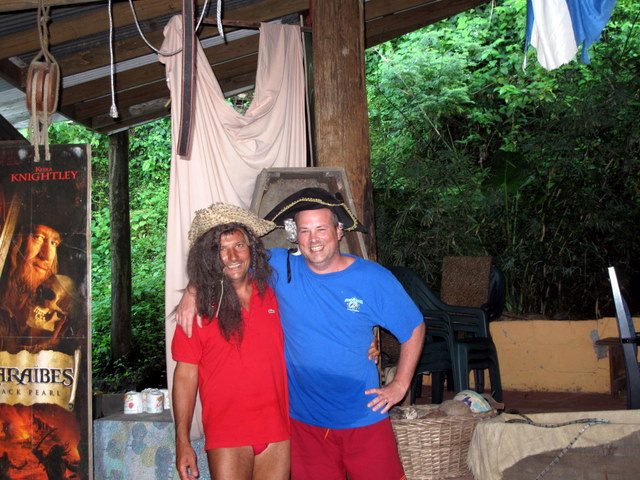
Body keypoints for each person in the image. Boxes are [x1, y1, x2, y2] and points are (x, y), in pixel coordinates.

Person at [177, 188, 425, 480]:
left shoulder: (373, 278)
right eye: (305, 230)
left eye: (321, 228)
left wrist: (400, 384)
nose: (313, 239)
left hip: (363, 414)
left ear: (338, 231)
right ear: (296, 236)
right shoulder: (280, 268)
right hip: (304, 423)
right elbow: (226, 263)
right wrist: (192, 290)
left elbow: (413, 327)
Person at [171, 203, 290, 480]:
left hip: (278, 430)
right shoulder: (197, 310)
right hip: (227, 434)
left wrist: (364, 342)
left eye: (239, 245)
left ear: (252, 249)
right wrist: (182, 441)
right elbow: (185, 375)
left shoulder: (273, 293)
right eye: (221, 249)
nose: (232, 256)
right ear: (209, 256)